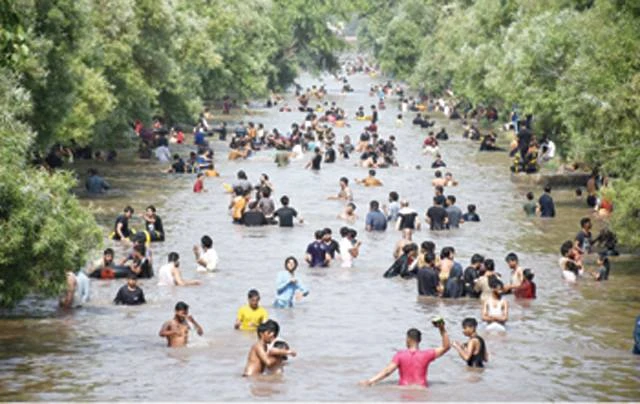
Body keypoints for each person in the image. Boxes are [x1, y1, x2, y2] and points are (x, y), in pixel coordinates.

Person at [361, 322, 450, 387]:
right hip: (421, 389)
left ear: (408, 339)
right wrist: (442, 329)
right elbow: (446, 347)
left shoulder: (400, 355)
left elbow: (387, 371)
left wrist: (370, 381)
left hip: (404, 389)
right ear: (420, 340)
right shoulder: (426, 355)